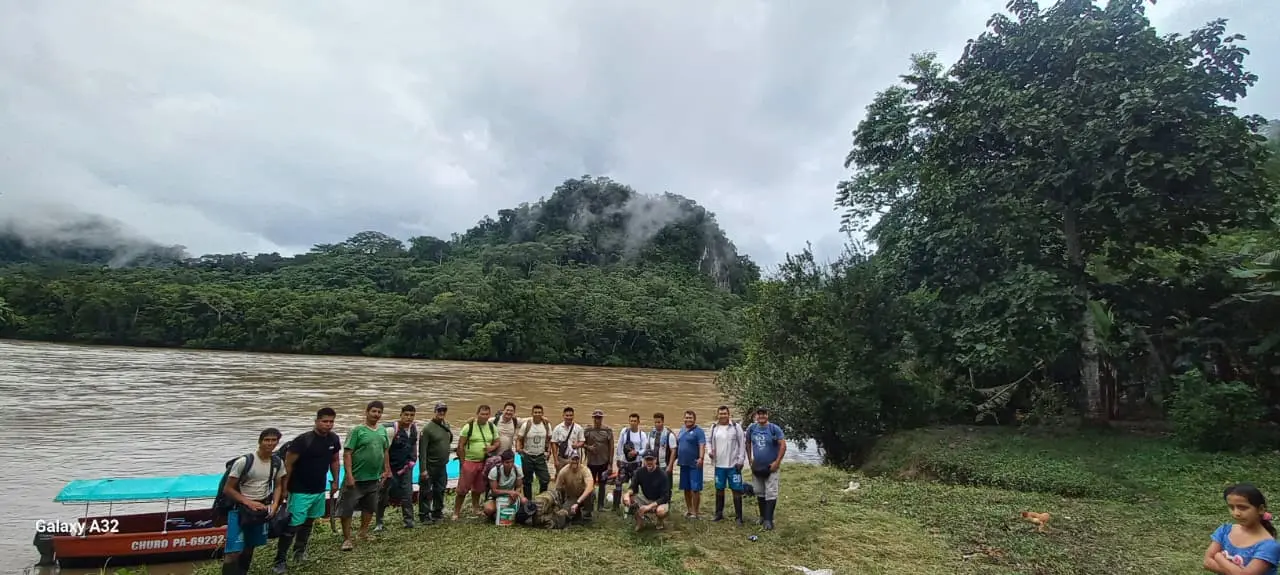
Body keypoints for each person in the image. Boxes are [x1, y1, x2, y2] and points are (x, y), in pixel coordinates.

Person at [273, 408, 341, 572]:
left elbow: (335, 461)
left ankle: (300, 552)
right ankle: (280, 560)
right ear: (316, 421)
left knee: (309, 521)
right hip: (299, 490)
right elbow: (287, 465)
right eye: (325, 421)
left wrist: (335, 481)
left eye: (331, 421)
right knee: (292, 525)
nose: (328, 425)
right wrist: (284, 488)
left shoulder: (333, 439)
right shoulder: (303, 441)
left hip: (318, 489)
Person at [221, 428, 287, 575]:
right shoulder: (244, 461)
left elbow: (278, 485)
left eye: (273, 440)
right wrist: (248, 502)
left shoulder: (277, 462)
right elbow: (228, 489)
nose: (270, 443)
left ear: (277, 442)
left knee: (250, 546)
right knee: (233, 551)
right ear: (260, 441)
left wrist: (275, 504)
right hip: (240, 508)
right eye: (267, 440)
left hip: (261, 509)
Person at [338, 401, 391, 552]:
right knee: (347, 508)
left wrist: (386, 469)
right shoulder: (357, 431)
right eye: (374, 411)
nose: (376, 415)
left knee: (369, 507)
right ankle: (347, 538)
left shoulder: (382, 431)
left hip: (374, 478)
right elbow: (347, 453)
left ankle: (363, 532)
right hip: (356, 478)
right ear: (366, 412)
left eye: (379, 412)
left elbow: (385, 451)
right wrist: (349, 475)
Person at [1204, 483, 1280, 574]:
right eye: (1231, 507)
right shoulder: (1225, 531)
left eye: (1243, 508)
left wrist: (1219, 558)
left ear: (1261, 509)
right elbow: (1207, 562)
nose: (1236, 513)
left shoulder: (1268, 546)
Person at [376, 404, 418, 531]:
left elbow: (413, 443)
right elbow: (385, 450)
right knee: (383, 495)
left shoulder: (414, 428)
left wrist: (414, 458)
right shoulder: (392, 429)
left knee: (407, 494)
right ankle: (379, 522)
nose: (409, 418)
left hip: (406, 467)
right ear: (401, 415)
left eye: (411, 415)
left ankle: (409, 521)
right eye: (406, 415)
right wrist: (386, 470)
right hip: (391, 468)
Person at [453, 404, 499, 520]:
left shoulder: (491, 427)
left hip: (483, 462)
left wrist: (492, 447)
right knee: (462, 489)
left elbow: (497, 442)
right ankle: (456, 512)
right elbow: (461, 446)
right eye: (482, 414)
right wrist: (463, 462)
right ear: (477, 414)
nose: (484, 416)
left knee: (478, 488)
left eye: (487, 414)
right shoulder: (469, 427)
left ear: (489, 415)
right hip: (469, 461)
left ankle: (475, 508)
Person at [746, 407, 786, 531]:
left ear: (767, 415)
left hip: (771, 466)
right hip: (757, 466)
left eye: (764, 414)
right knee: (759, 491)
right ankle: (762, 516)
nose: (761, 416)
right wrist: (750, 459)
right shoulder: (752, 428)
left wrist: (777, 462)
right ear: (756, 416)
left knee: (771, 491)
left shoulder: (774, 429)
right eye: (759, 414)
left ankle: (769, 520)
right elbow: (747, 443)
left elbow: (783, 446)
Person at [707, 405, 748, 525]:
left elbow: (742, 444)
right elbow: (709, 441)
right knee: (719, 488)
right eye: (721, 413)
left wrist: (741, 460)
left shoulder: (736, 427)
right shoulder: (714, 427)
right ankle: (719, 514)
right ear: (717, 415)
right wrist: (710, 451)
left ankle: (739, 517)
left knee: (736, 489)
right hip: (719, 464)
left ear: (729, 414)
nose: (723, 416)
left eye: (725, 413)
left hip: (733, 465)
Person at [418, 402, 452, 525]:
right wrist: (423, 469)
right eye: (439, 410)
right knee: (426, 491)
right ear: (435, 411)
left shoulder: (446, 425)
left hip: (442, 466)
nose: (441, 412)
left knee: (440, 489)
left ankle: (437, 511)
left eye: (444, 410)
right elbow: (422, 451)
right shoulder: (427, 429)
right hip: (430, 466)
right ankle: (424, 514)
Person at [624, 450, 671, 532]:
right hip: (646, 498)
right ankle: (640, 522)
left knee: (660, 511)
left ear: (655, 460)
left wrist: (649, 506)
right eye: (647, 460)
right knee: (628, 498)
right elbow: (633, 487)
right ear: (644, 460)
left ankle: (660, 521)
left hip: (660, 502)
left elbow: (665, 497)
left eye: (651, 460)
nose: (649, 462)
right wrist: (627, 494)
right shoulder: (639, 472)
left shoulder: (663, 475)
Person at [516, 404, 553, 499]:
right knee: (527, 481)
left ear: (542, 413)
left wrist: (548, 451)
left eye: (539, 412)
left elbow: (549, 439)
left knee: (545, 479)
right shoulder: (527, 425)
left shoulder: (546, 424)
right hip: (527, 456)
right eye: (535, 412)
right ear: (532, 413)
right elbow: (519, 439)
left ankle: (541, 499)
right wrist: (519, 449)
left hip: (540, 456)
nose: (537, 414)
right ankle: (528, 501)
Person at [613, 413, 647, 512]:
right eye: (631, 421)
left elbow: (644, 450)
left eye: (634, 421)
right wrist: (618, 458)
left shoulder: (642, 435)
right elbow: (619, 444)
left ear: (638, 422)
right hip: (624, 462)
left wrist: (636, 452)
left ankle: (633, 506)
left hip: (636, 463)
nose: (632, 423)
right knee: (618, 483)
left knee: (634, 486)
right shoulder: (624, 431)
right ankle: (615, 506)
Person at [676, 410, 706, 519]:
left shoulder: (699, 431)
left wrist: (701, 458)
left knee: (695, 488)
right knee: (686, 488)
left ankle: (695, 511)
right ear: (684, 418)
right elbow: (678, 443)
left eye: (690, 418)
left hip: (694, 464)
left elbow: (702, 445)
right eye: (686, 418)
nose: (688, 420)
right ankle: (689, 509)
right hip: (683, 463)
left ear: (694, 419)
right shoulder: (682, 429)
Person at [583, 409, 615, 512]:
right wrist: (588, 448)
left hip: (604, 462)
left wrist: (610, 464)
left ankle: (600, 505)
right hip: (591, 462)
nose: (597, 420)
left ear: (602, 418)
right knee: (590, 484)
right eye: (596, 417)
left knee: (602, 484)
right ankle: (589, 504)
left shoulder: (607, 430)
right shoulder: (587, 430)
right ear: (593, 418)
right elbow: (581, 443)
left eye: (599, 418)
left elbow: (611, 447)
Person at [482, 449, 527, 520]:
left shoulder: (517, 469)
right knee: (488, 509)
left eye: (512, 462)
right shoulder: (494, 471)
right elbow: (494, 491)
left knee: (524, 501)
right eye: (507, 462)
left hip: (511, 495)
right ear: (502, 462)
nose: (510, 465)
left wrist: (515, 494)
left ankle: (511, 514)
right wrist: (510, 492)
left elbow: (519, 486)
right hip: (496, 496)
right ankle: (496, 514)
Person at [553, 452, 595, 521]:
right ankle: (576, 513)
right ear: (569, 460)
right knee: (564, 515)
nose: (575, 461)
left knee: (591, 493)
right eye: (573, 459)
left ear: (579, 460)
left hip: (583, 497)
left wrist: (578, 502)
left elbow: (590, 486)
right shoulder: (563, 472)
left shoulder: (585, 470)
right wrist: (559, 505)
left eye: (577, 459)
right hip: (572, 497)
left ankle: (587, 512)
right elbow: (558, 489)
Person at [550, 406, 585, 474]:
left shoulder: (578, 428)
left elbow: (582, 441)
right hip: (561, 458)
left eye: (571, 415)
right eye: (567, 415)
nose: (569, 417)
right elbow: (553, 443)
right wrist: (555, 460)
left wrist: (577, 445)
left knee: (574, 477)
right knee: (560, 476)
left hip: (574, 458)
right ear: (563, 416)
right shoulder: (558, 428)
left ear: (573, 416)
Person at [648, 412, 677, 493]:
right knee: (654, 486)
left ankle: (667, 503)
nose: (657, 424)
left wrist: (670, 466)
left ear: (663, 422)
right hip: (654, 465)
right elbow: (649, 448)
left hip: (665, 465)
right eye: (655, 422)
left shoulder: (669, 435)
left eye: (659, 422)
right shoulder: (651, 433)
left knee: (666, 487)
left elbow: (673, 451)